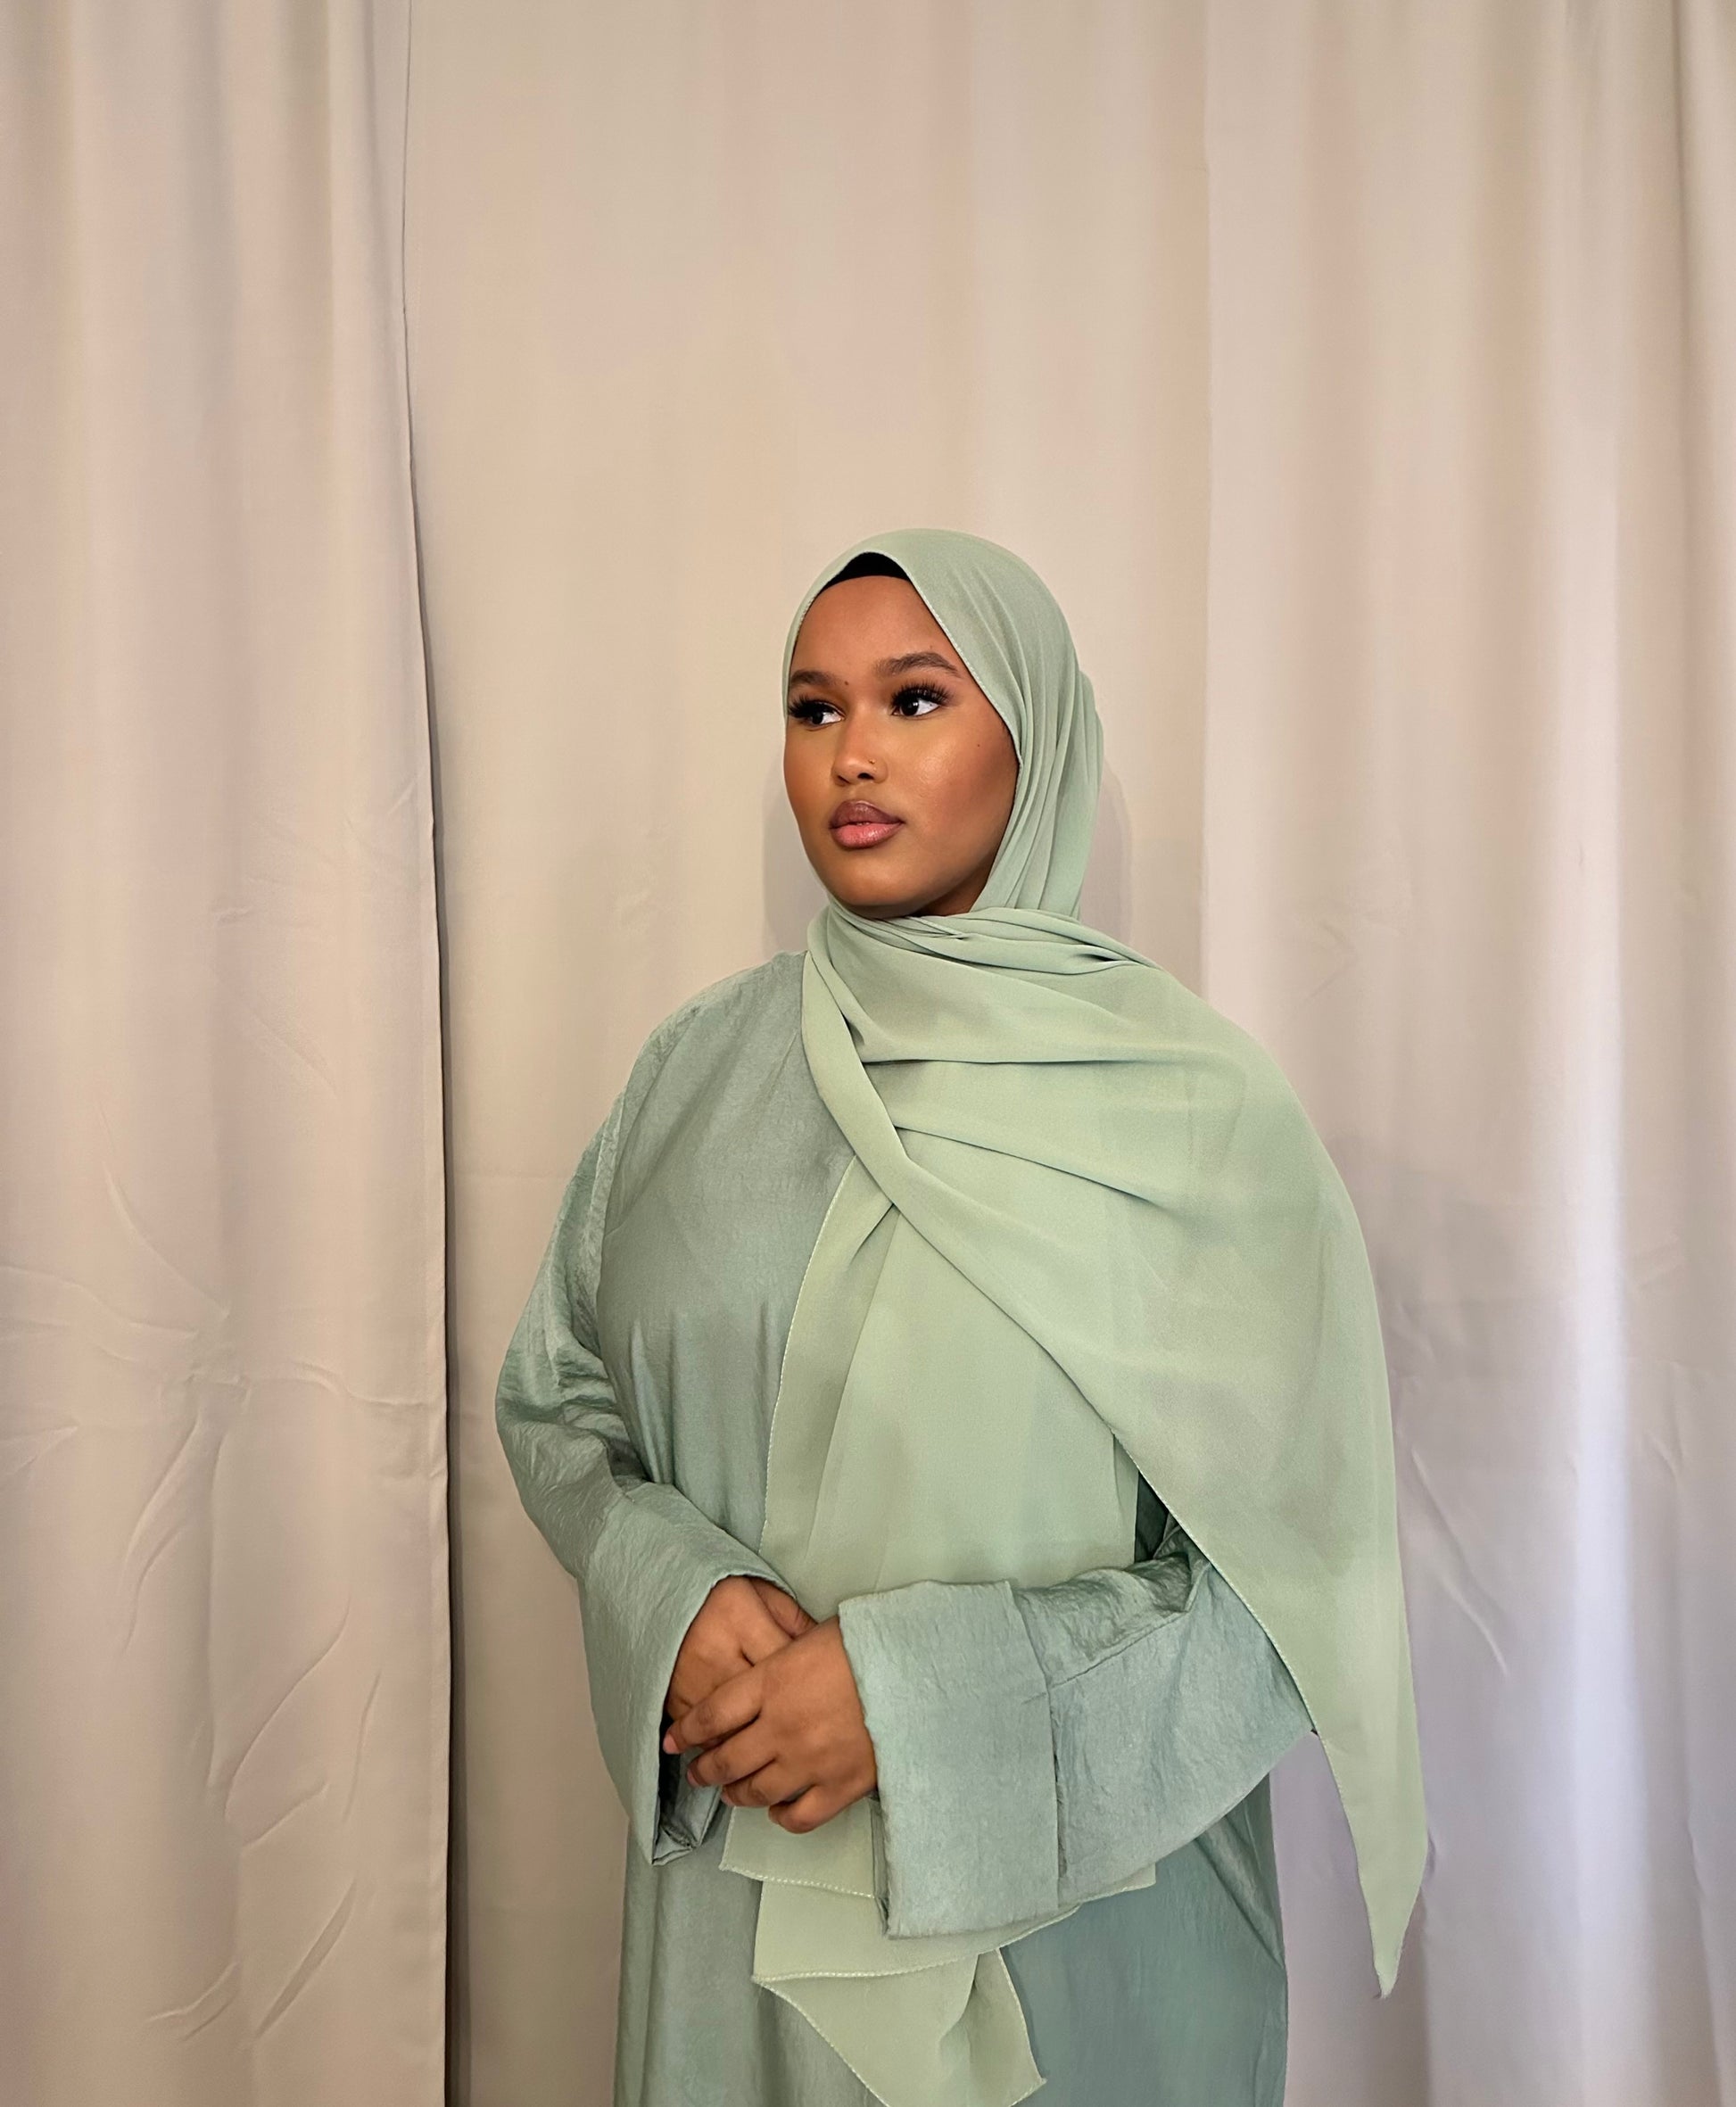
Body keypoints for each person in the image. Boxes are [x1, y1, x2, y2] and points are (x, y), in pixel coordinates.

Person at [496, 529, 1426, 2107]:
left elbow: (1297, 1585)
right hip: (740, 1921)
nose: (850, 754)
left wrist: (919, 1703)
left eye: (913, 698)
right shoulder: (694, 1078)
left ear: (1035, 732)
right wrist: (667, 1580)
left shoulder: (1190, 1116)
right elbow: (557, 1393)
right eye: (812, 708)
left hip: (1081, 1953)